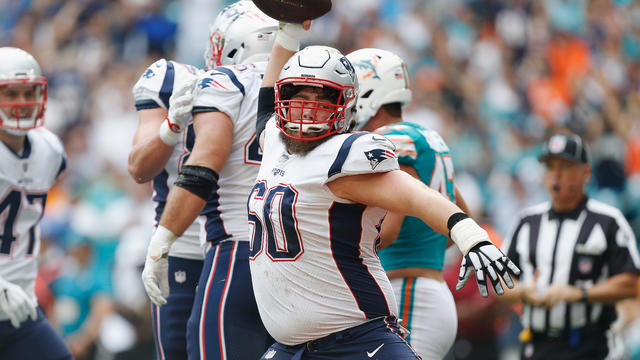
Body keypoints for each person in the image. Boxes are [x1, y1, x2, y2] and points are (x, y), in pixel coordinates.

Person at [248, 22, 519, 360]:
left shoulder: (346, 152)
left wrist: (466, 231)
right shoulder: (275, 142)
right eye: (299, 95)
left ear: (348, 103)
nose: (307, 108)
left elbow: (411, 193)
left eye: (322, 98)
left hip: (355, 338)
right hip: (292, 346)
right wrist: (287, 34)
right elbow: (264, 106)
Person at [139, 1, 278, 359]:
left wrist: (161, 240)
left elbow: (202, 169)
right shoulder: (309, 89)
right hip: (295, 252)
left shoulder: (222, 81)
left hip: (231, 250)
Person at [345, 47, 470, 359]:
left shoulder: (393, 139)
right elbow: (462, 215)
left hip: (412, 294)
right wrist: (424, 249)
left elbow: (388, 231)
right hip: (426, 290)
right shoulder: (426, 136)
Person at [501, 132, 640, 360]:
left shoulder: (608, 221)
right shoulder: (526, 222)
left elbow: (629, 283)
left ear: (585, 172)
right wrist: (524, 291)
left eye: (565, 167)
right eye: (550, 167)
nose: (556, 175)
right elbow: (501, 283)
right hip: (536, 345)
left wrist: (578, 293)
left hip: (590, 346)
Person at [130, 24, 206, 360]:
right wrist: (172, 126)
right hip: (182, 243)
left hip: (240, 245)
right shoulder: (173, 79)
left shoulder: (274, 83)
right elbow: (139, 168)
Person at [0, 46, 72, 360]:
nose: (21, 103)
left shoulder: (49, 149)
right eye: (10, 94)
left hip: (21, 307)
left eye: (27, 92)